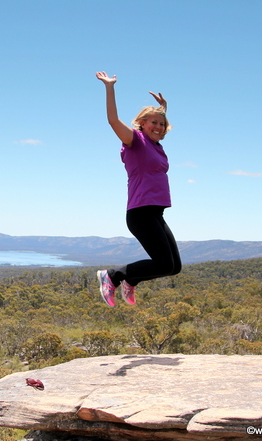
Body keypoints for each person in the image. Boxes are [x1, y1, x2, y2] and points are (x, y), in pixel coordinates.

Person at [95, 71, 182, 307]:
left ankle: (131, 279)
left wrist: (162, 109)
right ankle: (112, 275)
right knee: (163, 263)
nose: (158, 126)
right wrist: (109, 87)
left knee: (174, 267)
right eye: (153, 122)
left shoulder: (157, 147)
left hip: (156, 213)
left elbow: (159, 125)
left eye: (162, 124)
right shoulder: (135, 141)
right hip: (141, 212)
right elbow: (113, 120)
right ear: (142, 123)